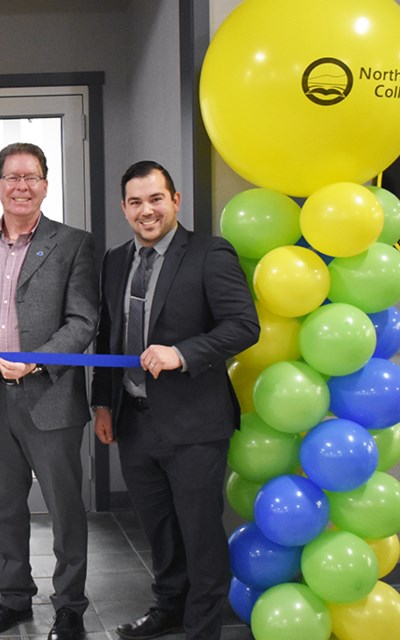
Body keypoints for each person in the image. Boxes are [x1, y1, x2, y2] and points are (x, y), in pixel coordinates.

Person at [91, 160, 259, 640]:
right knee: (159, 530)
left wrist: (181, 353)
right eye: (137, 202)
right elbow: (109, 336)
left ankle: (202, 628)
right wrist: (103, 404)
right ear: (124, 208)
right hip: (135, 422)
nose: (147, 211)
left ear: (175, 200)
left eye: (156, 199)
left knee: (200, 533)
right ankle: (167, 607)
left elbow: (243, 326)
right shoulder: (116, 260)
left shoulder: (210, 253)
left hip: (194, 424)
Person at [0, 142, 98, 640]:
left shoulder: (73, 243)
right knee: (3, 507)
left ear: (46, 186)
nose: (22, 187)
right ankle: (13, 599)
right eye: (12, 178)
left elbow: (83, 320)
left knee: (65, 508)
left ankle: (69, 605)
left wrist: (37, 359)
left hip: (49, 398)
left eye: (31, 177)